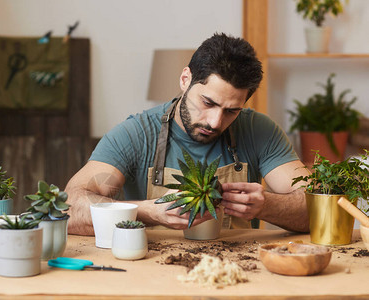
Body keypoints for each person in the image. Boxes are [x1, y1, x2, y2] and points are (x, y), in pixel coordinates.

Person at [65, 32, 310, 236]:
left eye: (232, 111)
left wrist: (267, 205)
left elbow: (320, 206)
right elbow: (69, 208)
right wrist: (148, 211)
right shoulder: (135, 134)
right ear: (185, 79)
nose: (215, 122)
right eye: (208, 103)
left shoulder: (260, 131)